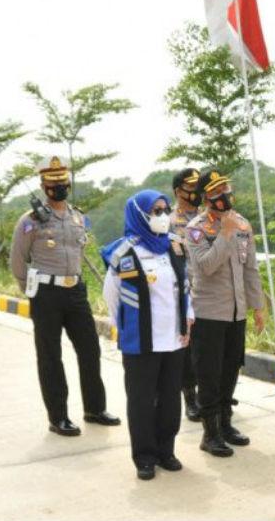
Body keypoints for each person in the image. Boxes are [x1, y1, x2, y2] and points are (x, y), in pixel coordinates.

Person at [9, 155, 120, 437]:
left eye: (63, 182)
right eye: (53, 183)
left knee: (90, 349)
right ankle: (58, 417)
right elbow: (18, 261)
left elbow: (80, 250)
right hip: (46, 293)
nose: (59, 187)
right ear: (44, 186)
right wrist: (32, 291)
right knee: (50, 356)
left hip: (76, 291)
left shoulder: (77, 216)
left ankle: (95, 409)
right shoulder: (30, 221)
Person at [102, 190, 192, 481]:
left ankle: (166, 450)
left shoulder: (174, 247)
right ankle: (144, 456)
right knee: (141, 401)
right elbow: (112, 296)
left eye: (165, 210)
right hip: (141, 341)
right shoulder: (124, 252)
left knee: (169, 399)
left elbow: (186, 287)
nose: (163, 216)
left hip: (173, 339)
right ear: (140, 214)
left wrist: (187, 320)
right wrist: (127, 327)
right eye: (156, 210)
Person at [184, 168, 265, 457]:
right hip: (209, 313)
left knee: (231, 368)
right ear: (207, 197)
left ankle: (227, 424)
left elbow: (250, 269)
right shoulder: (195, 228)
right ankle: (210, 432)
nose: (225, 196)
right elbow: (205, 266)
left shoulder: (242, 224)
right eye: (217, 192)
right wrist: (225, 234)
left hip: (236, 313)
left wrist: (258, 306)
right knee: (209, 373)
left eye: (226, 190)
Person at [171, 168, 203, 423]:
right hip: (185, 290)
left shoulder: (208, 217)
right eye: (190, 188)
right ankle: (190, 399)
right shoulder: (170, 220)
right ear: (178, 191)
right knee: (188, 348)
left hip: (210, 291)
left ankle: (209, 395)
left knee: (208, 347)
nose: (195, 193)